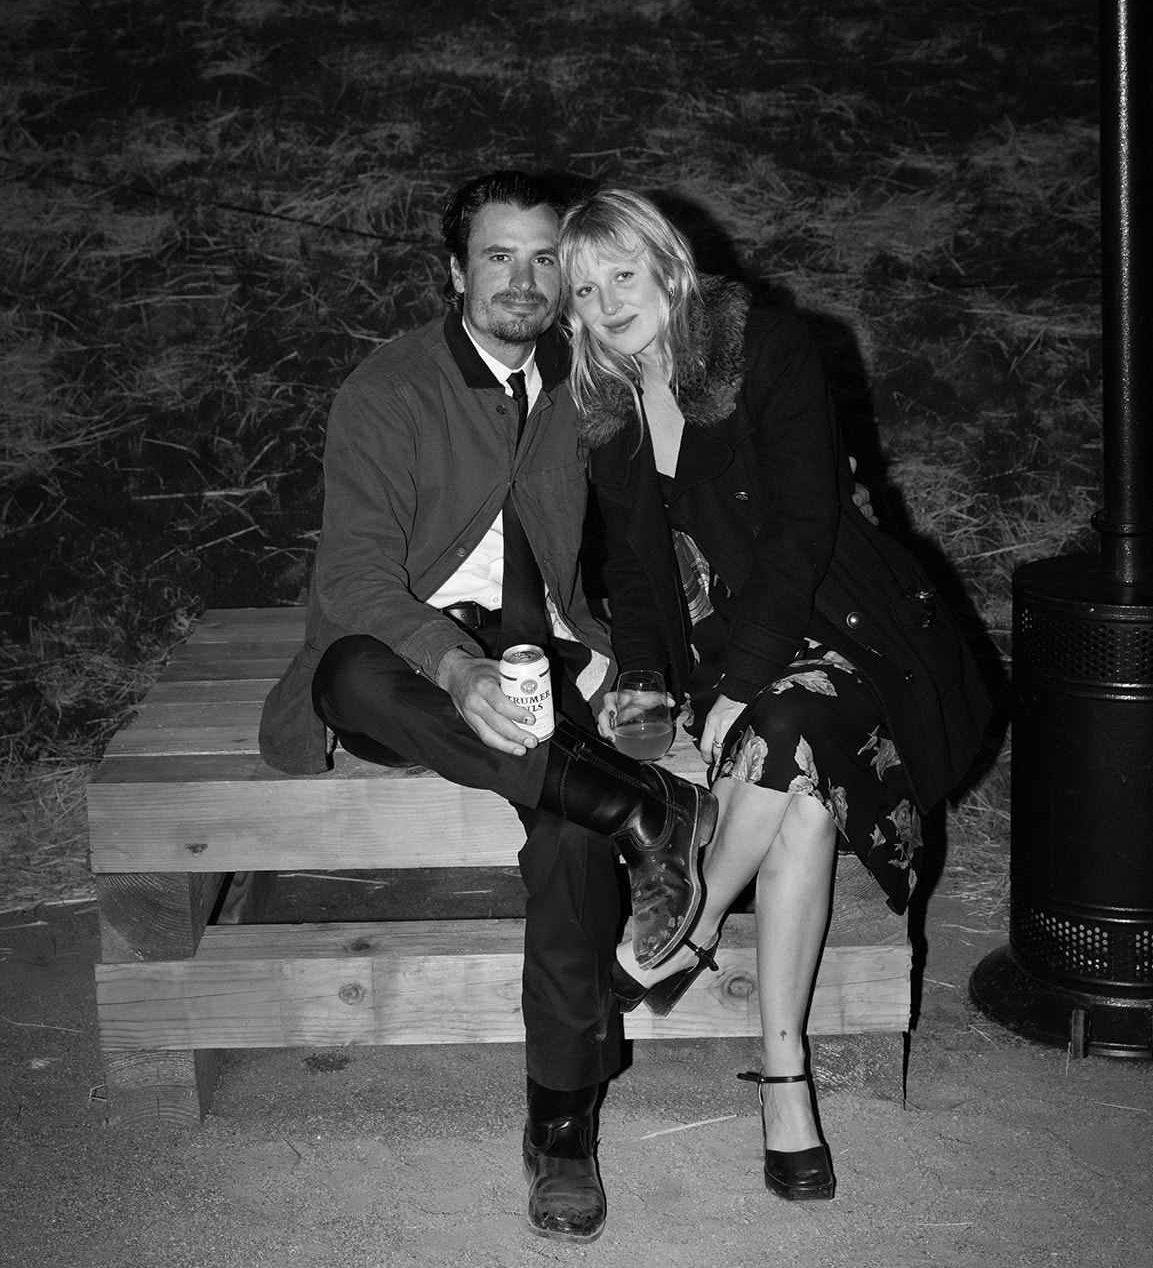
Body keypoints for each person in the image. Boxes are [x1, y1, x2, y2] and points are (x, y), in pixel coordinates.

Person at [258, 170, 717, 1244]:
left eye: (544, 258)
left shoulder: (587, 380)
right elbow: (353, 579)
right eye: (497, 256)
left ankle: (562, 1125)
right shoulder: (390, 388)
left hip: (542, 659)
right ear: (455, 271)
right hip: (413, 664)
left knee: (567, 830)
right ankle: (639, 804)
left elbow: (644, 529)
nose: (522, 279)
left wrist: (644, 655)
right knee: (347, 672)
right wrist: (454, 668)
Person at [557, 187, 991, 1203]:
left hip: (844, 626)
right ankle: (783, 1078)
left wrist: (737, 690)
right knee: (799, 799)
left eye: (623, 273)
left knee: (788, 724)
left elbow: (803, 531)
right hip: (722, 652)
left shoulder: (768, 349)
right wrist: (648, 690)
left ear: (668, 267)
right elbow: (634, 572)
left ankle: (695, 915)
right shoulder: (608, 405)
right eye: (583, 289)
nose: (607, 302)